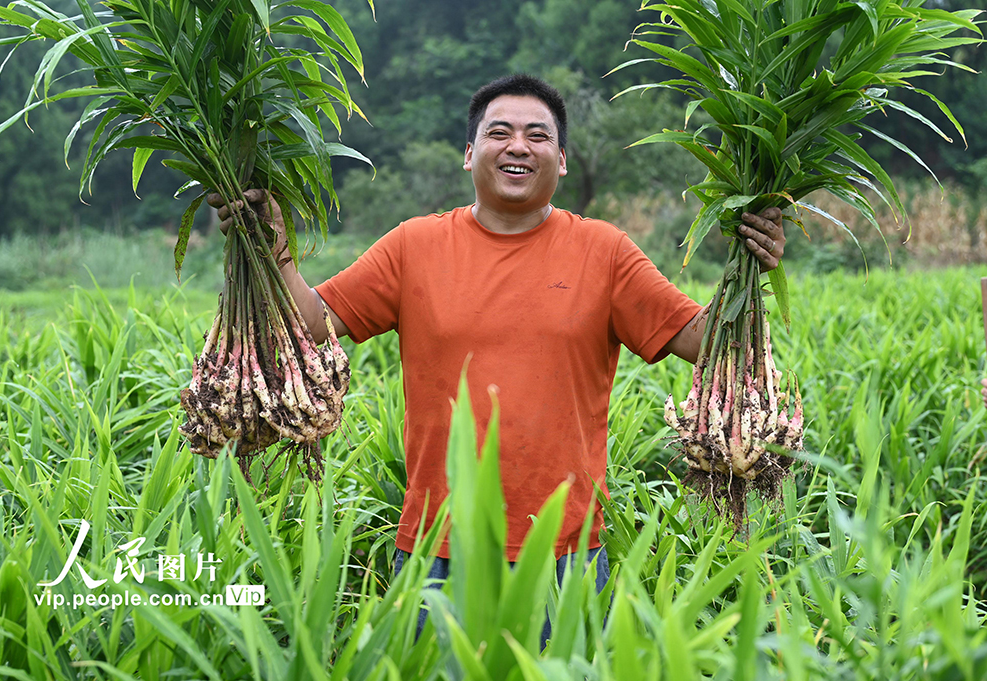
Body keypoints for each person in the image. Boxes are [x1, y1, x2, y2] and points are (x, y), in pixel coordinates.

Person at [209, 74, 785, 648]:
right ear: (469, 154)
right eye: (499, 132)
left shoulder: (603, 251)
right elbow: (313, 325)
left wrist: (749, 266)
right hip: (436, 548)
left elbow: (701, 339)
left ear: (560, 161)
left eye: (538, 135)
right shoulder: (414, 246)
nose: (517, 146)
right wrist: (275, 252)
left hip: (563, 553)